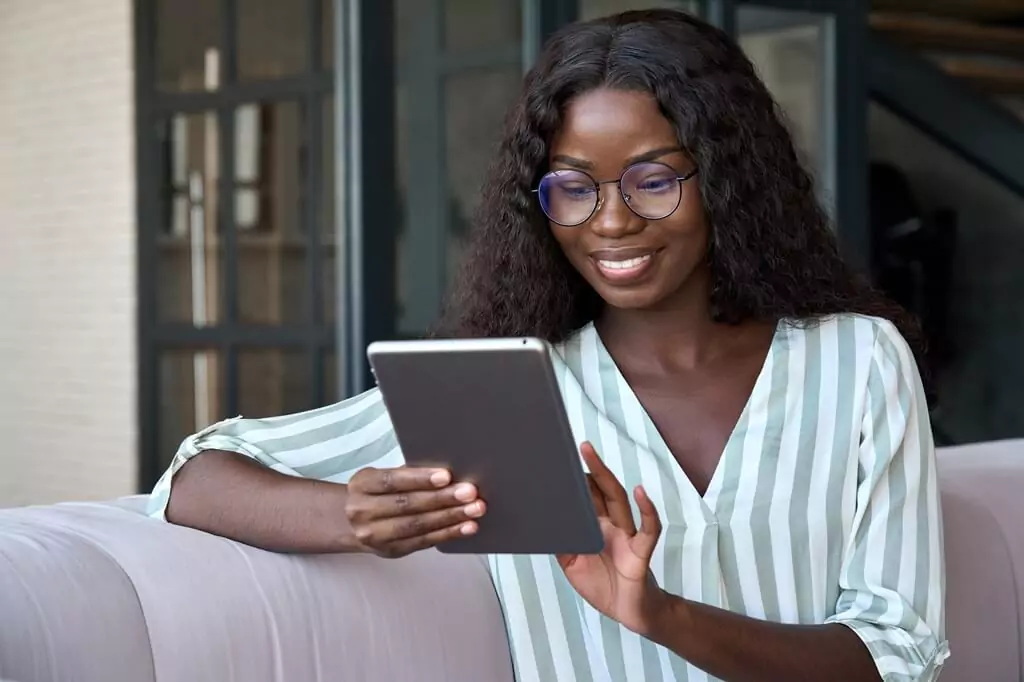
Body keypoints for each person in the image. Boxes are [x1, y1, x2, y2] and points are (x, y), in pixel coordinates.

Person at [150, 9, 948, 682]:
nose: (609, 222)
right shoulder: (505, 392)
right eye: (573, 187)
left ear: (728, 179)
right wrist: (353, 516)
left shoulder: (859, 363)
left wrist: (665, 617)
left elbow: (898, 653)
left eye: (653, 179)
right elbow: (195, 476)